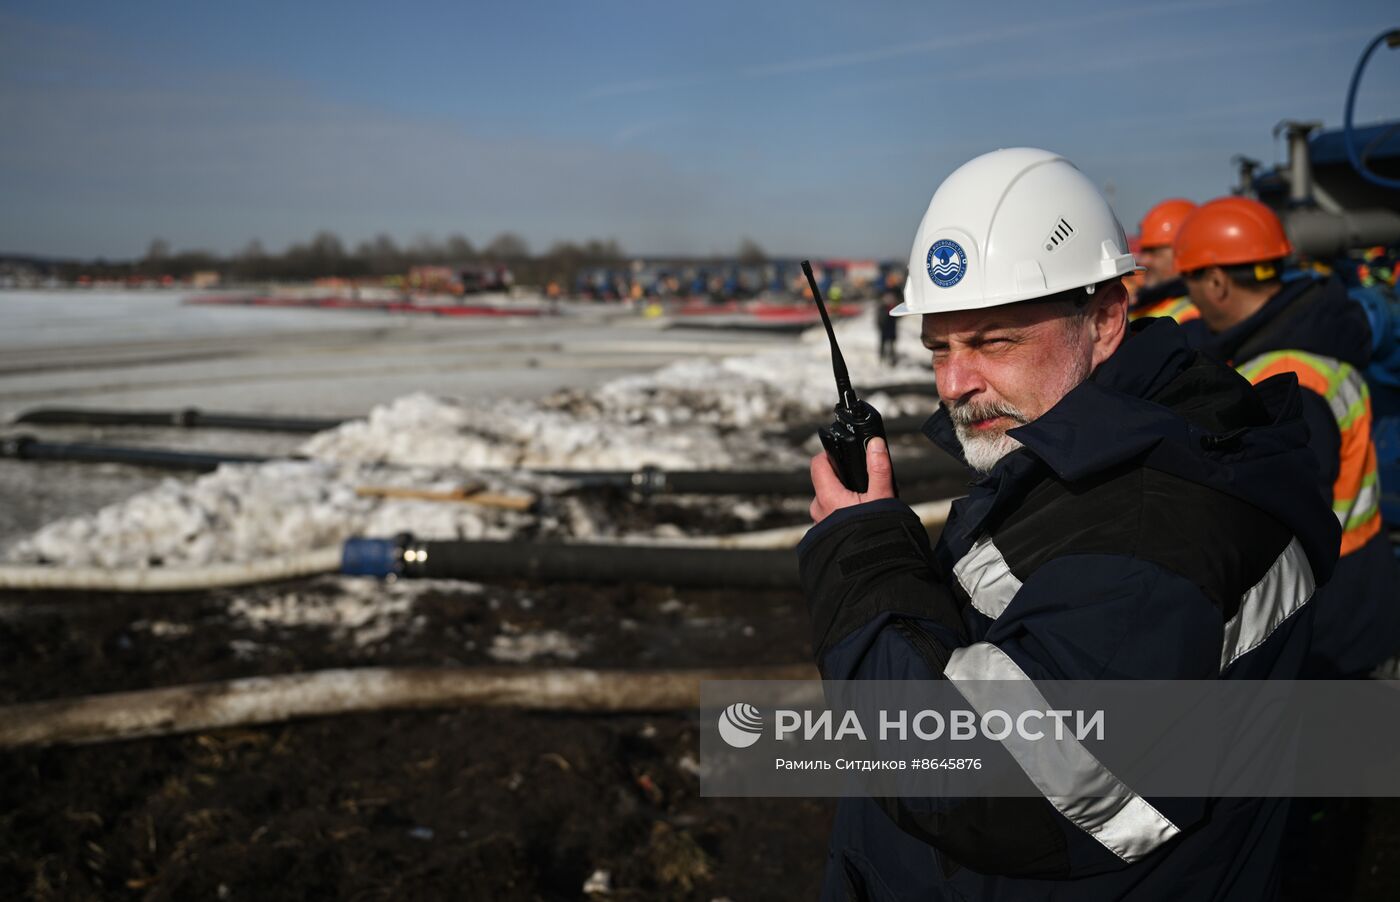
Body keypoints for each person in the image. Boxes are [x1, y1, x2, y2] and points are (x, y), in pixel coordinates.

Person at [799, 148, 1339, 900]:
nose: (956, 384)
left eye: (993, 340)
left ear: (1108, 316)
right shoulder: (1087, 454)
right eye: (939, 348)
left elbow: (976, 782)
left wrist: (863, 564)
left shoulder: (1151, 529)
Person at [1174, 196, 1400, 677]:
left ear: (1216, 282)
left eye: (1190, 280)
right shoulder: (1317, 331)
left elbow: (1281, 525)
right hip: (1364, 593)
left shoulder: (1281, 380)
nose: (1188, 297)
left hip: (1331, 624)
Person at [1130, 198, 1199, 323]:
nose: (1143, 260)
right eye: (1144, 251)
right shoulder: (1143, 304)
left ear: (1186, 253)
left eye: (1153, 252)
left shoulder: (1194, 320)